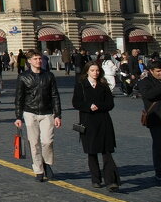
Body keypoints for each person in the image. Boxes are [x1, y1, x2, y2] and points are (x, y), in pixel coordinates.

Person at [14, 50, 63, 182]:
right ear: (29, 61)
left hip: (47, 112)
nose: (38, 61)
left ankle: (46, 162)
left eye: (40, 58)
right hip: (30, 112)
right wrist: (18, 117)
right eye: (35, 59)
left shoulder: (49, 75)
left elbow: (55, 95)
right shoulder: (23, 77)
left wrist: (57, 115)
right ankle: (38, 170)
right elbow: (19, 98)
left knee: (47, 141)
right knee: (34, 143)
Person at [72, 62, 119, 191]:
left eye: (97, 70)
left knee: (107, 151)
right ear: (87, 71)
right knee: (92, 152)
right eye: (92, 70)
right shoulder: (81, 85)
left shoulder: (104, 85)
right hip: (88, 121)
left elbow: (110, 104)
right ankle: (96, 179)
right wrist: (88, 106)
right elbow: (76, 103)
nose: (95, 73)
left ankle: (111, 181)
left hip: (104, 121)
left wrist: (99, 106)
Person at [139, 59, 161, 186]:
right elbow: (149, 95)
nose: (160, 73)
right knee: (159, 145)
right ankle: (159, 171)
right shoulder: (144, 82)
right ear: (151, 71)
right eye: (158, 71)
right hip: (155, 118)